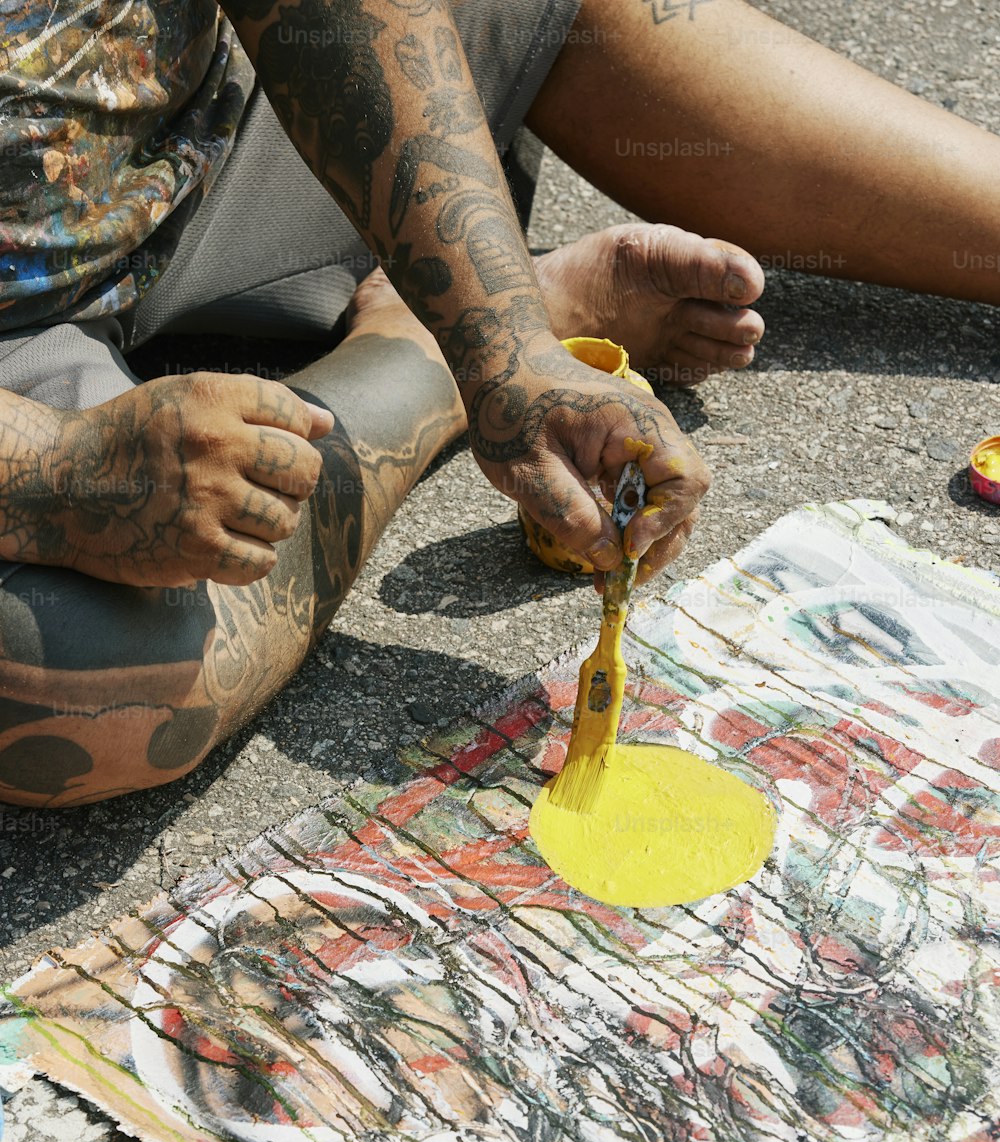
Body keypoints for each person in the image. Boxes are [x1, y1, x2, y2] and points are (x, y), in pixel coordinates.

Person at [0, 0, 996, 807]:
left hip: (186, 142)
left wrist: (507, 342)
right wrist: (48, 476)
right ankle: (410, 351)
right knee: (79, 683)